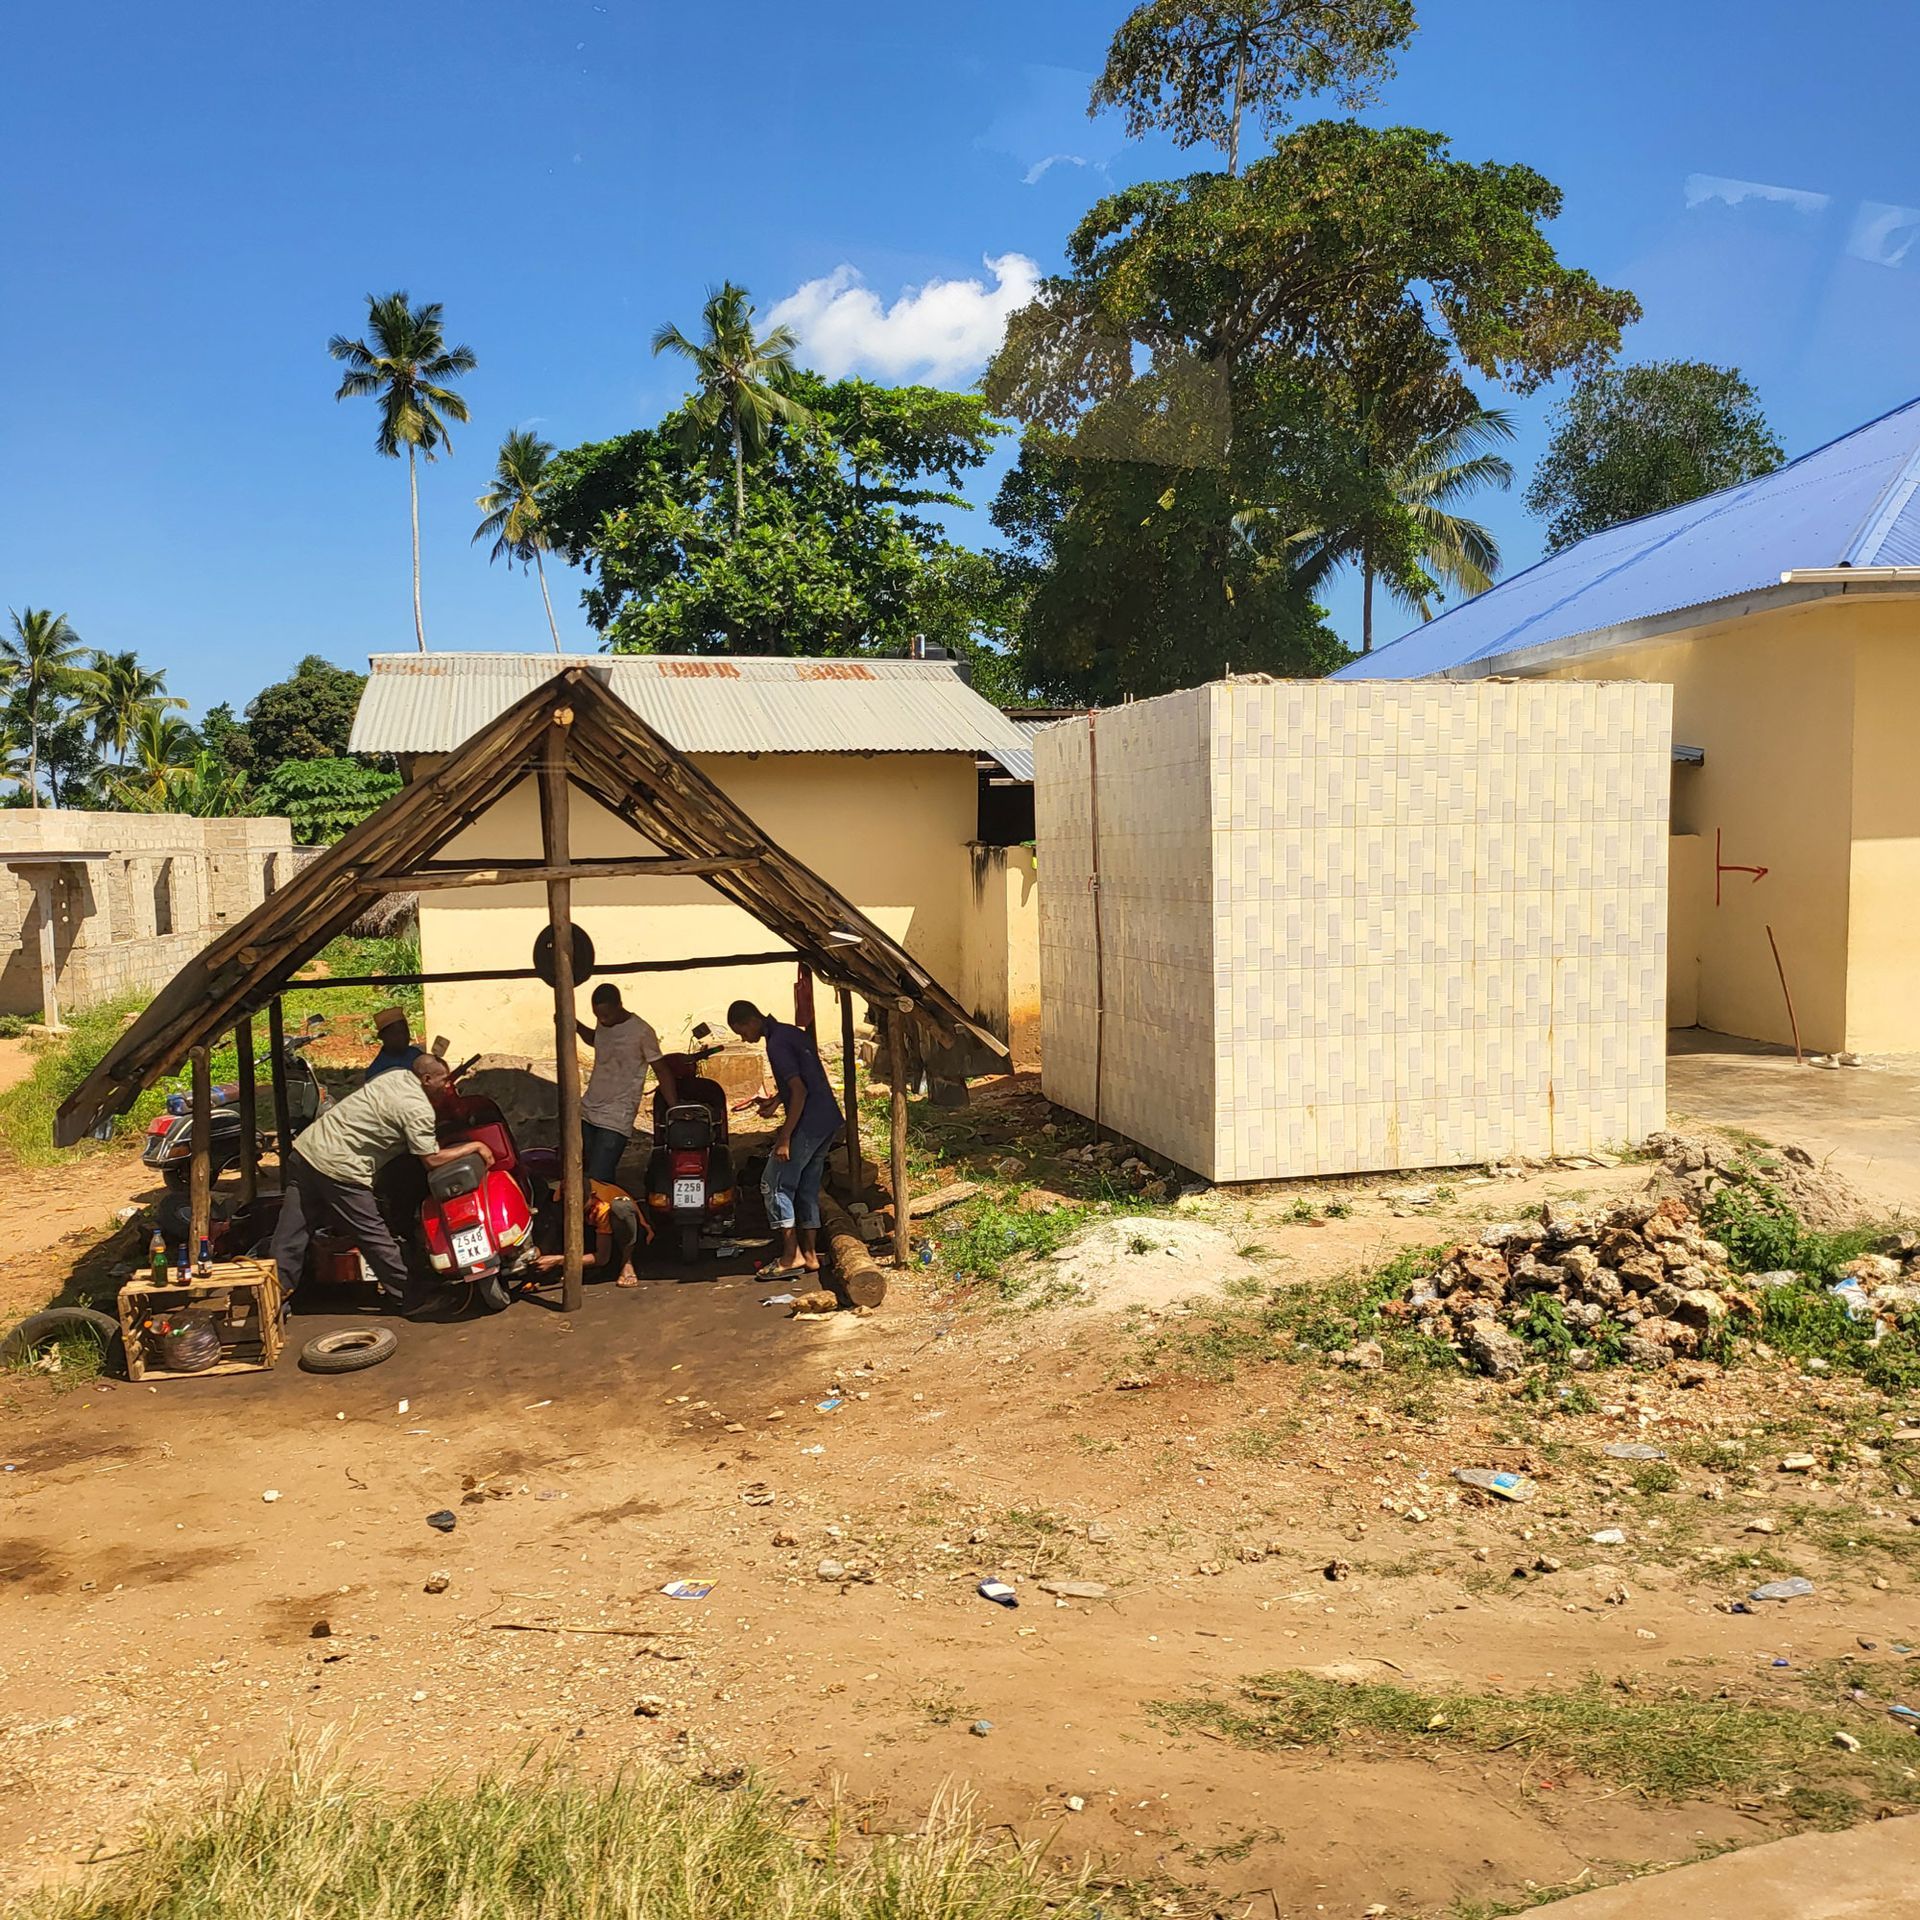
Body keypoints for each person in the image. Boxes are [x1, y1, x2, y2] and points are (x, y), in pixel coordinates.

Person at [271, 1053, 487, 1313]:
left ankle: (274, 1301)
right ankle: (410, 1298)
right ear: (427, 1079)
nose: (448, 1086)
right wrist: (474, 1146)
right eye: (445, 1081)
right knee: (373, 1234)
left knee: (290, 1234)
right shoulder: (417, 1108)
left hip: (307, 1152)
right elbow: (431, 1159)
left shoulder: (396, 1075)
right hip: (340, 1167)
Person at [726, 998, 842, 1282]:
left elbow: (799, 1091)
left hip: (809, 1122)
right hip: (827, 1119)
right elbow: (805, 1080)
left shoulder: (776, 1044)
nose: (745, 1038)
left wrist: (784, 1137)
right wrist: (778, 1100)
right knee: (807, 1186)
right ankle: (812, 1255)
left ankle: (791, 1256)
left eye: (742, 1031)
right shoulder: (791, 1032)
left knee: (774, 1184)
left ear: (750, 1020)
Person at [577, 984, 679, 1182]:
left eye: (606, 1015)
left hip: (616, 1116)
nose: (602, 1020)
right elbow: (598, 1040)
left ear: (619, 1006)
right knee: (587, 1176)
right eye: (597, 1016)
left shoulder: (641, 1031)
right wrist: (577, 1027)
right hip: (589, 1110)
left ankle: (611, 1212)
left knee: (600, 1179)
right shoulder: (604, 1023)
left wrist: (674, 1107)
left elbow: (661, 1070)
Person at [533, 1178, 648, 1288]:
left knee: (621, 1208)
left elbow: (602, 1258)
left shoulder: (602, 1206)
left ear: (592, 1196)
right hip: (592, 1228)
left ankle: (627, 1262)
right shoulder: (561, 1191)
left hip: (629, 1235)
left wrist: (558, 1260)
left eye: (580, 1205)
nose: (574, 1209)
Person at [363, 1006, 424, 1081]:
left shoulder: (417, 1055)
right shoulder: (377, 1072)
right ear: (382, 1036)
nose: (402, 1037)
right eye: (395, 1033)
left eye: (405, 1031)